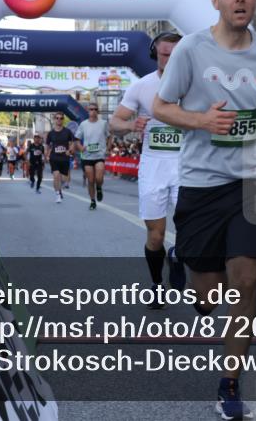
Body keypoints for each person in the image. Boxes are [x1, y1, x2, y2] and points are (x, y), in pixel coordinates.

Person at [153, 0, 256, 420]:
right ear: (215, 0)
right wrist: (201, 120)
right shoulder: (192, 50)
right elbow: (161, 106)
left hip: (252, 178)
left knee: (248, 279)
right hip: (201, 182)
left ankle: (229, 383)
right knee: (208, 296)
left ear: (255, 0)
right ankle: (186, 261)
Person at [111, 31, 184, 306]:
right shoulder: (142, 86)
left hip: (187, 165)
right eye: (164, 53)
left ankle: (178, 253)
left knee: (190, 223)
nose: (169, 58)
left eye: (175, 53)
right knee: (155, 234)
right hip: (153, 166)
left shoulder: (195, 84)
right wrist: (131, 125)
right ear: (156, 54)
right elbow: (115, 122)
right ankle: (156, 284)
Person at [76, 104, 108, 210]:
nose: (93, 111)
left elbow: (110, 135)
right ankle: (93, 201)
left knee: (99, 177)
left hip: (99, 155)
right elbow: (77, 139)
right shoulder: (83, 124)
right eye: (91, 109)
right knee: (90, 180)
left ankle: (99, 187)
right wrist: (80, 147)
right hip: (87, 156)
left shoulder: (103, 123)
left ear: (97, 111)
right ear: (87, 111)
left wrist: (108, 147)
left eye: (95, 109)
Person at [46, 113, 76, 204]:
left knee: (63, 179)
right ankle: (57, 195)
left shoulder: (68, 132)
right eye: (57, 118)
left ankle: (60, 188)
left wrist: (70, 150)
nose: (59, 120)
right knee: (56, 176)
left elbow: (72, 143)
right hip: (54, 158)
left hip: (64, 158)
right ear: (55, 119)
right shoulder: (51, 133)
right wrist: (47, 155)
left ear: (63, 120)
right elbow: (47, 145)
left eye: (61, 118)